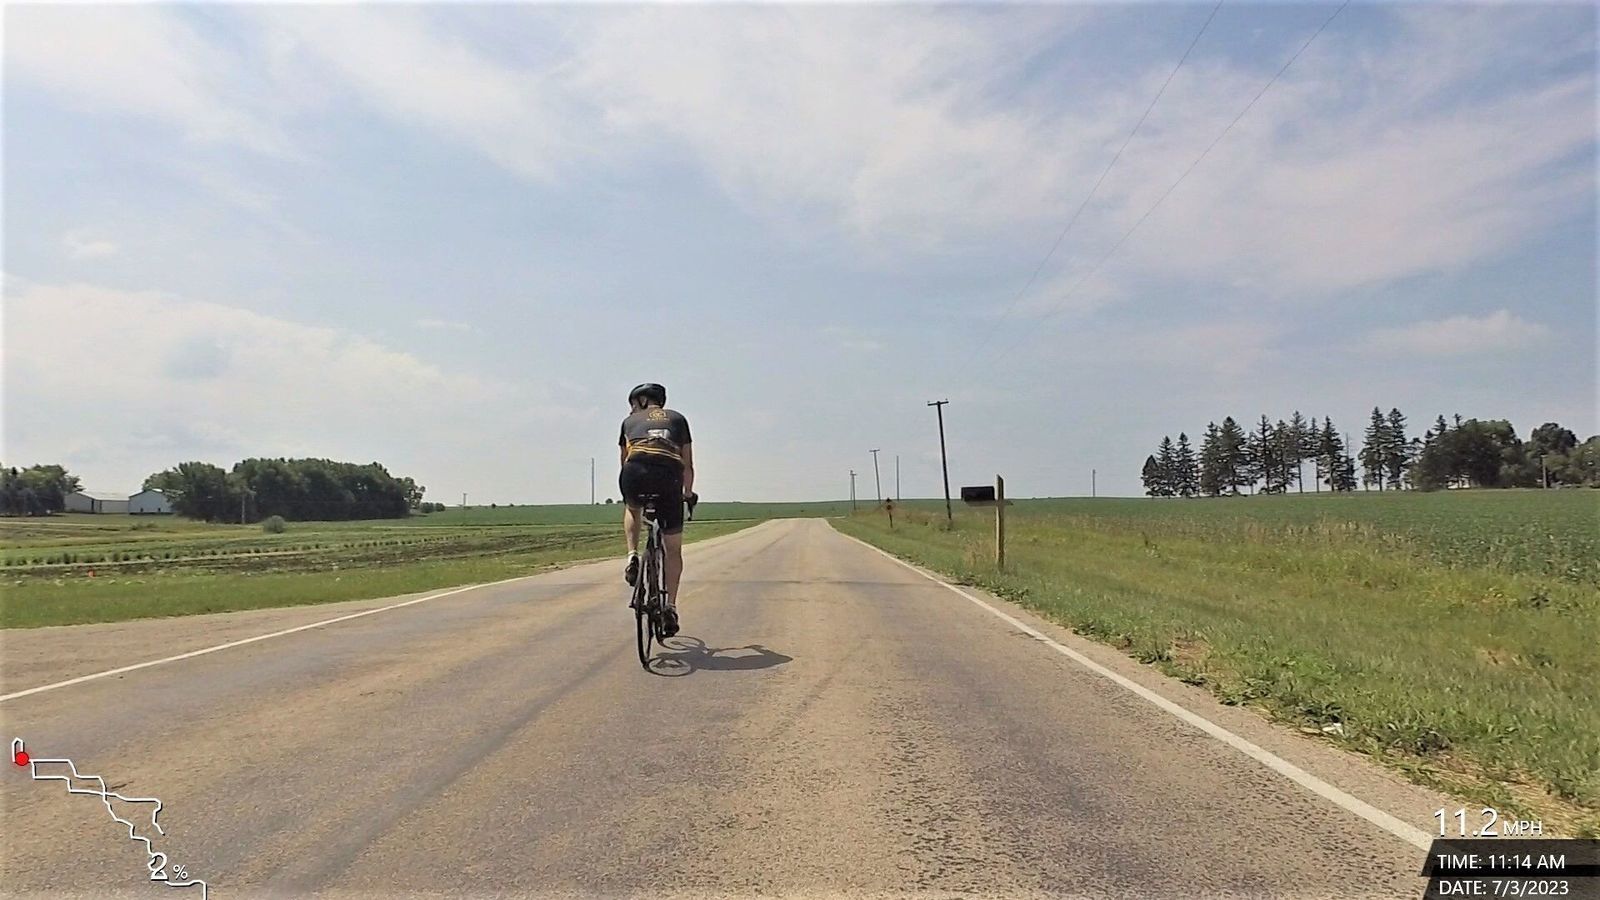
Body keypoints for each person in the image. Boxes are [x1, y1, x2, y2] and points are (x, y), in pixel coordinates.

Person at [618, 383, 695, 637]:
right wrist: (687, 494)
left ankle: (632, 555)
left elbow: (624, 461)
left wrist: (631, 488)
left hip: (634, 472)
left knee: (632, 508)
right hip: (668, 476)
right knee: (673, 550)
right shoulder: (678, 419)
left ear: (641, 401)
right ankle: (670, 607)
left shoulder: (628, 422)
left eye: (633, 404)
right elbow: (688, 465)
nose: (632, 409)